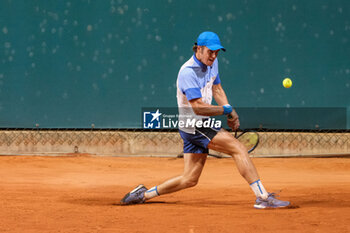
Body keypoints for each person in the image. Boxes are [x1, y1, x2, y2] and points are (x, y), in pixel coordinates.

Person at [121, 31, 290, 209]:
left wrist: (230, 110)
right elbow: (198, 107)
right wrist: (225, 110)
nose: (214, 55)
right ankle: (262, 197)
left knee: (189, 179)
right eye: (210, 52)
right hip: (194, 124)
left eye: (217, 52)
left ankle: (143, 194)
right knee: (238, 148)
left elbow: (217, 89)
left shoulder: (213, 63)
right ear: (199, 49)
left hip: (197, 124)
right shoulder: (187, 72)